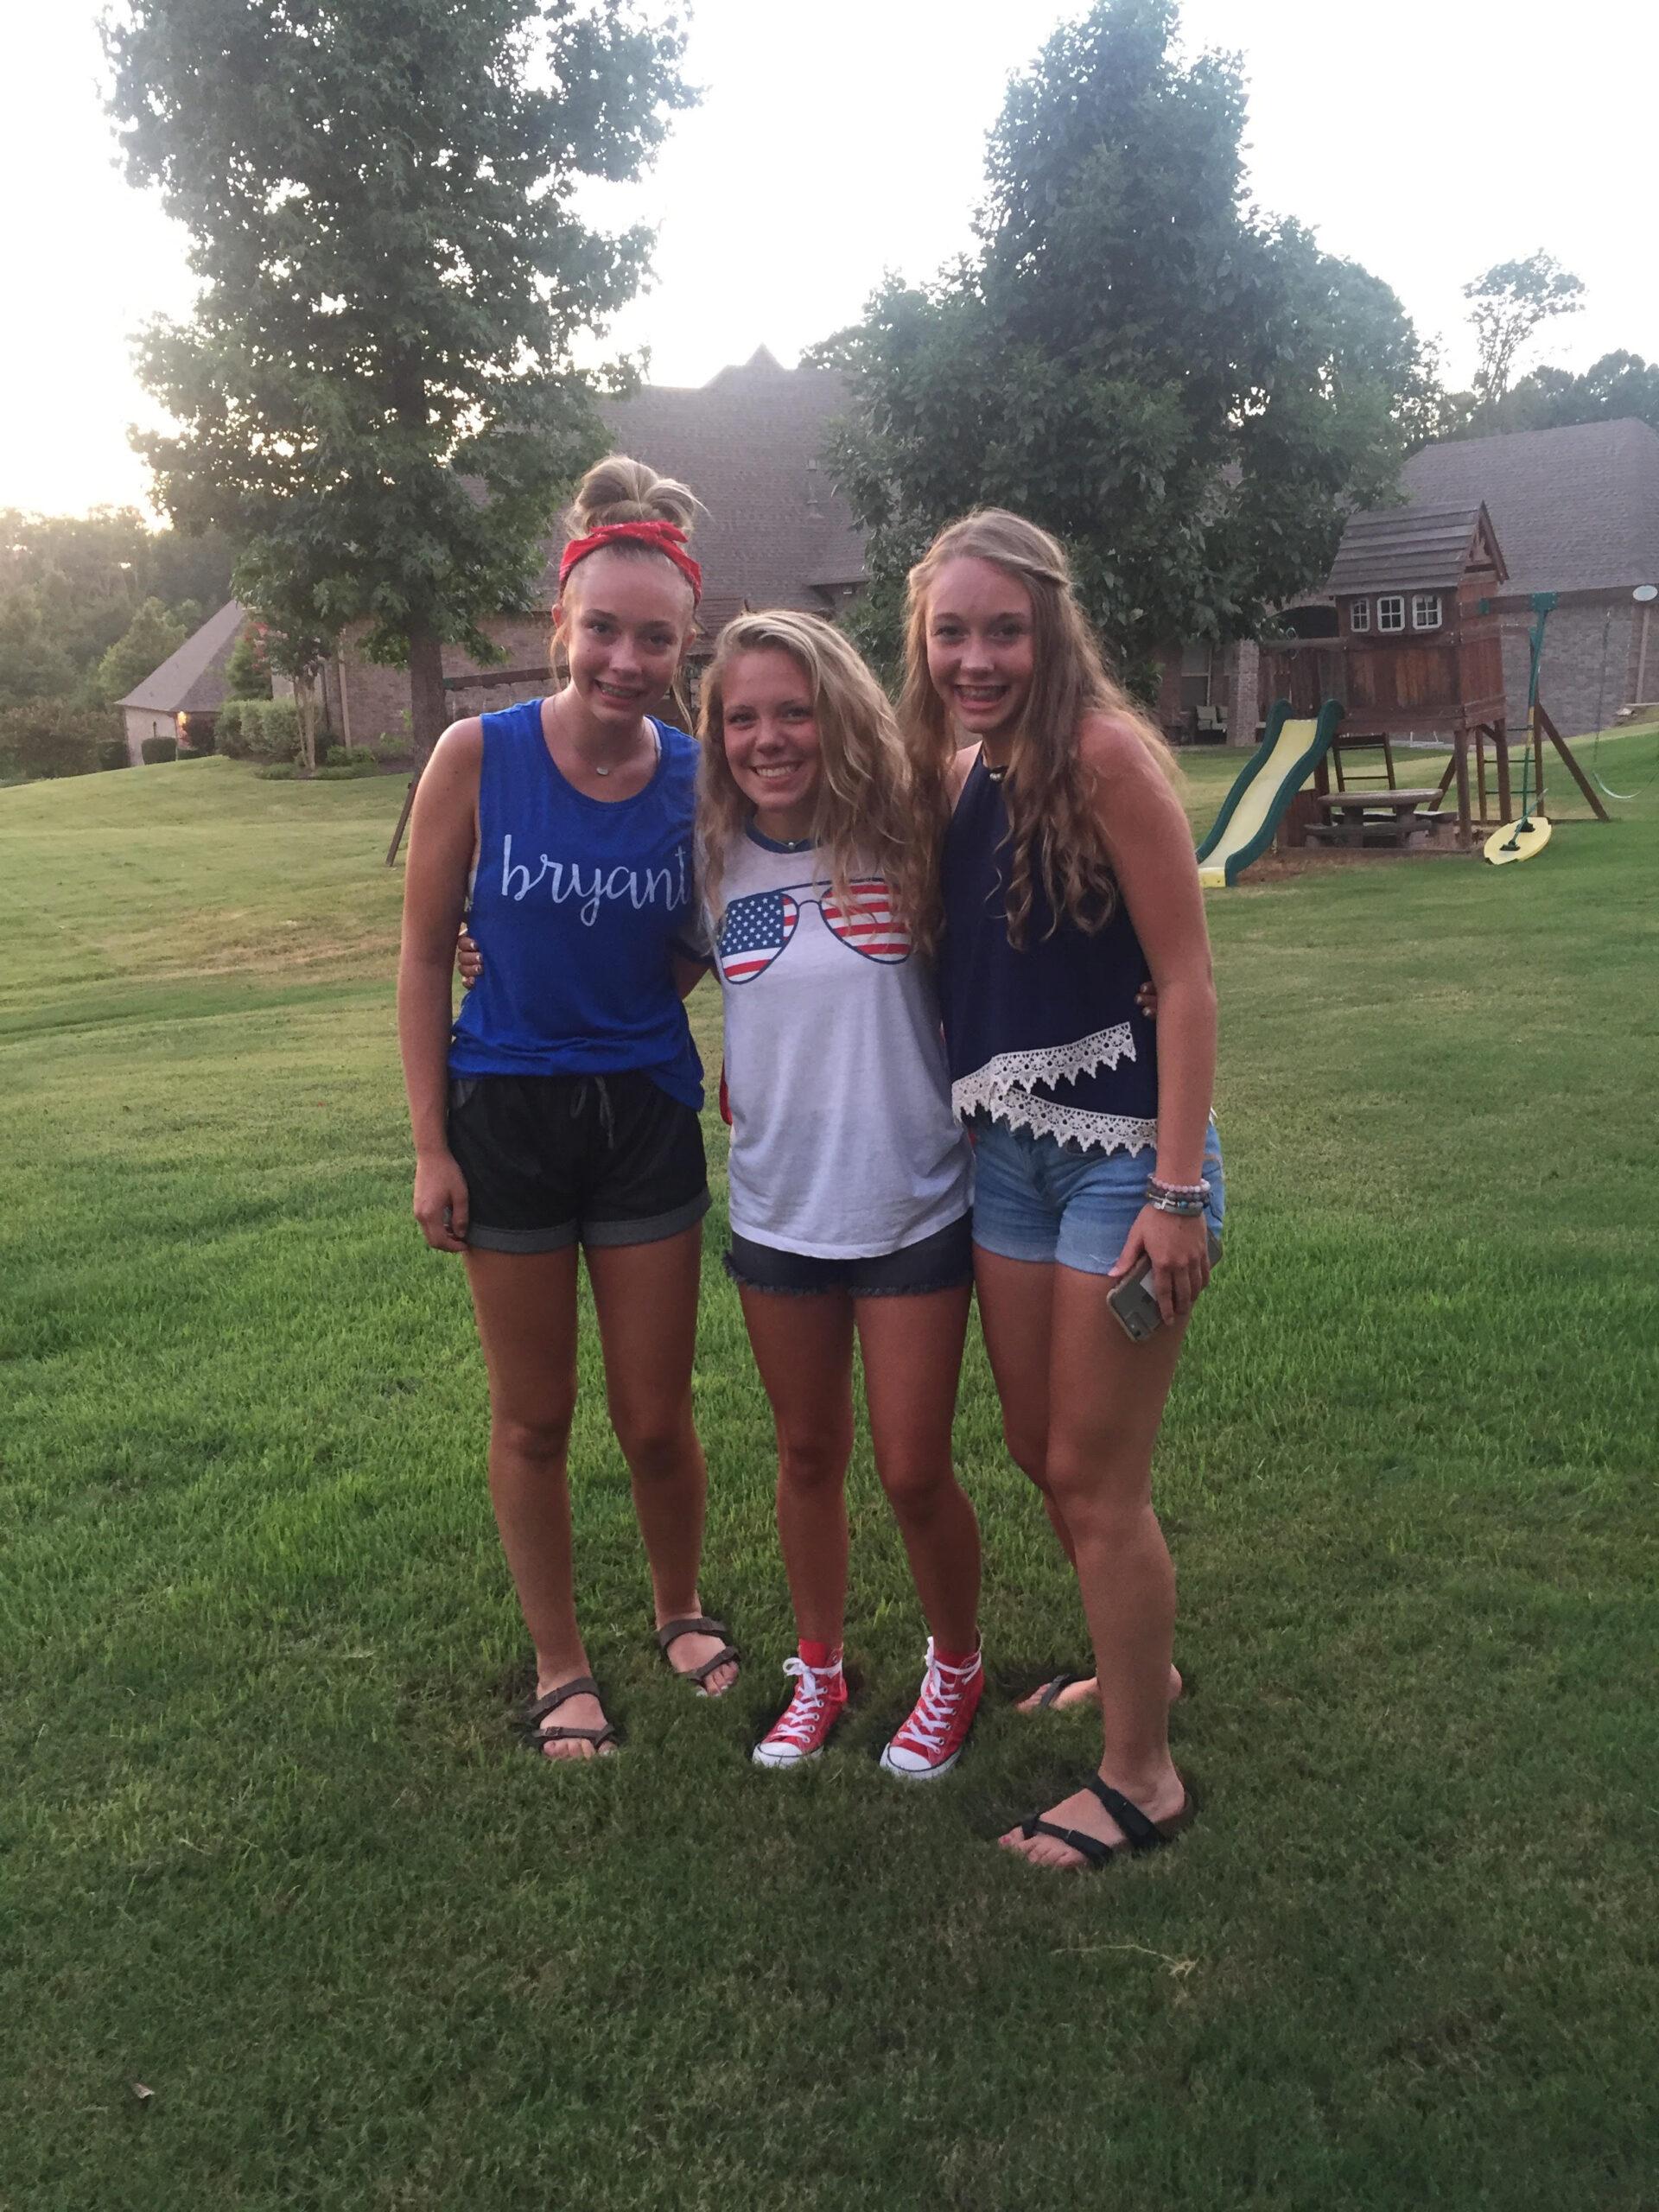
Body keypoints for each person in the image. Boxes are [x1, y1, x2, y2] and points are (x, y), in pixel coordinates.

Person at [397, 455, 738, 1763]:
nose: (626, 661)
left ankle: (680, 1610)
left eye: (656, 639)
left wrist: (640, 999)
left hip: (643, 1114)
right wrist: (431, 1146)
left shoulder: (699, 777)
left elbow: (709, 932)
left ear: (685, 645)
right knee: (535, 1419)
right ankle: (560, 1663)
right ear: (561, 623)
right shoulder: (475, 757)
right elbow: (422, 955)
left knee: (655, 1418)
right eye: (604, 630)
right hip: (507, 1117)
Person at [904, 509, 1223, 1869]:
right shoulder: (954, 773)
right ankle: (1140, 1667)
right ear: (923, 642)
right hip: (1010, 1163)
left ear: (1052, 631)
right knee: (1044, 1453)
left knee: (1096, 1477)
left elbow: (1189, 979)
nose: (977, 658)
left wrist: (1178, 1192)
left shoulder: (1104, 758)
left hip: (1126, 1160)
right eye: (952, 632)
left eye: (1005, 630)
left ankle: (1142, 1777)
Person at [693, 611, 985, 1776]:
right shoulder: (709, 855)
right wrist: (485, 954)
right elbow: (637, 969)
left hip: (913, 1201)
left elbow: (1029, 929)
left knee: (913, 1468)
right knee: (807, 1454)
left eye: (793, 711)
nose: (767, 738)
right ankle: (819, 1670)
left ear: (841, 716)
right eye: (742, 718)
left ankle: (955, 1666)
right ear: (717, 735)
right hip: (777, 1211)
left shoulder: (914, 837)